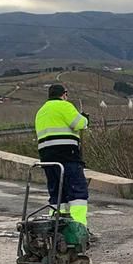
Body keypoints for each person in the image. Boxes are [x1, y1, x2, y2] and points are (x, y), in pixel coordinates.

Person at [34, 84, 93, 239]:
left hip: (47, 158)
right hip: (67, 155)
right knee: (77, 193)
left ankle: (55, 230)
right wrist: (85, 118)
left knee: (57, 194)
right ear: (64, 94)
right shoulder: (64, 106)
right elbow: (79, 124)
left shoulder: (41, 111)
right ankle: (79, 230)